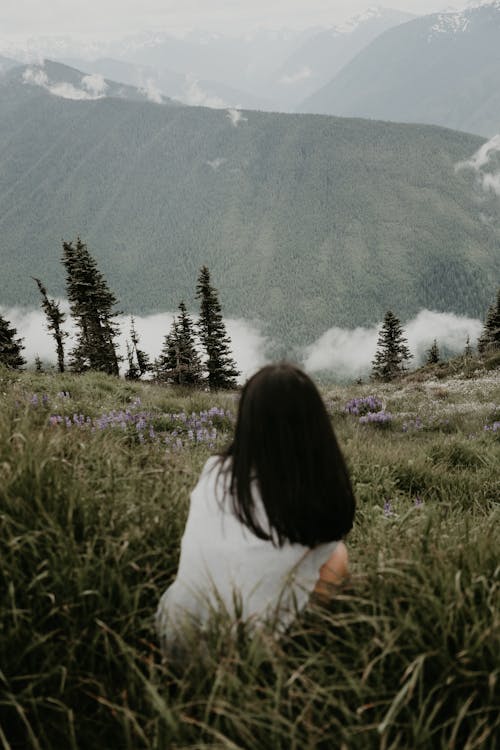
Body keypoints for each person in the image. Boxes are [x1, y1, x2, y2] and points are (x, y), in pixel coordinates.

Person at [156, 363, 356, 651]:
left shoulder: (215, 471)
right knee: (336, 554)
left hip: (175, 634)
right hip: (243, 655)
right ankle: (308, 642)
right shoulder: (310, 494)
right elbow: (331, 534)